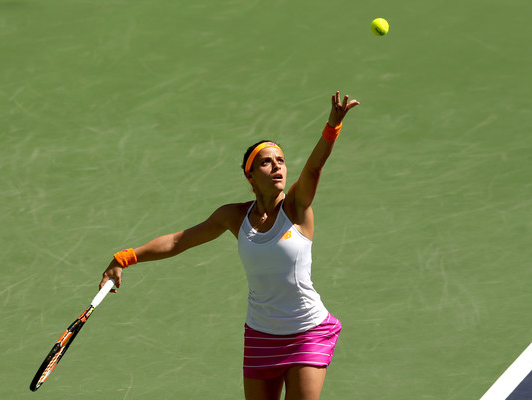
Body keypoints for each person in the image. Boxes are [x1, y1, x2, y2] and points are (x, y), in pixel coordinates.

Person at [100, 91, 360, 400]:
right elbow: (178, 241)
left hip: (307, 329)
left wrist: (333, 125)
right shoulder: (234, 217)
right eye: (266, 162)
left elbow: (314, 168)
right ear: (250, 175)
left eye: (281, 161)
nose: (277, 167)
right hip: (261, 333)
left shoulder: (296, 206)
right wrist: (125, 258)